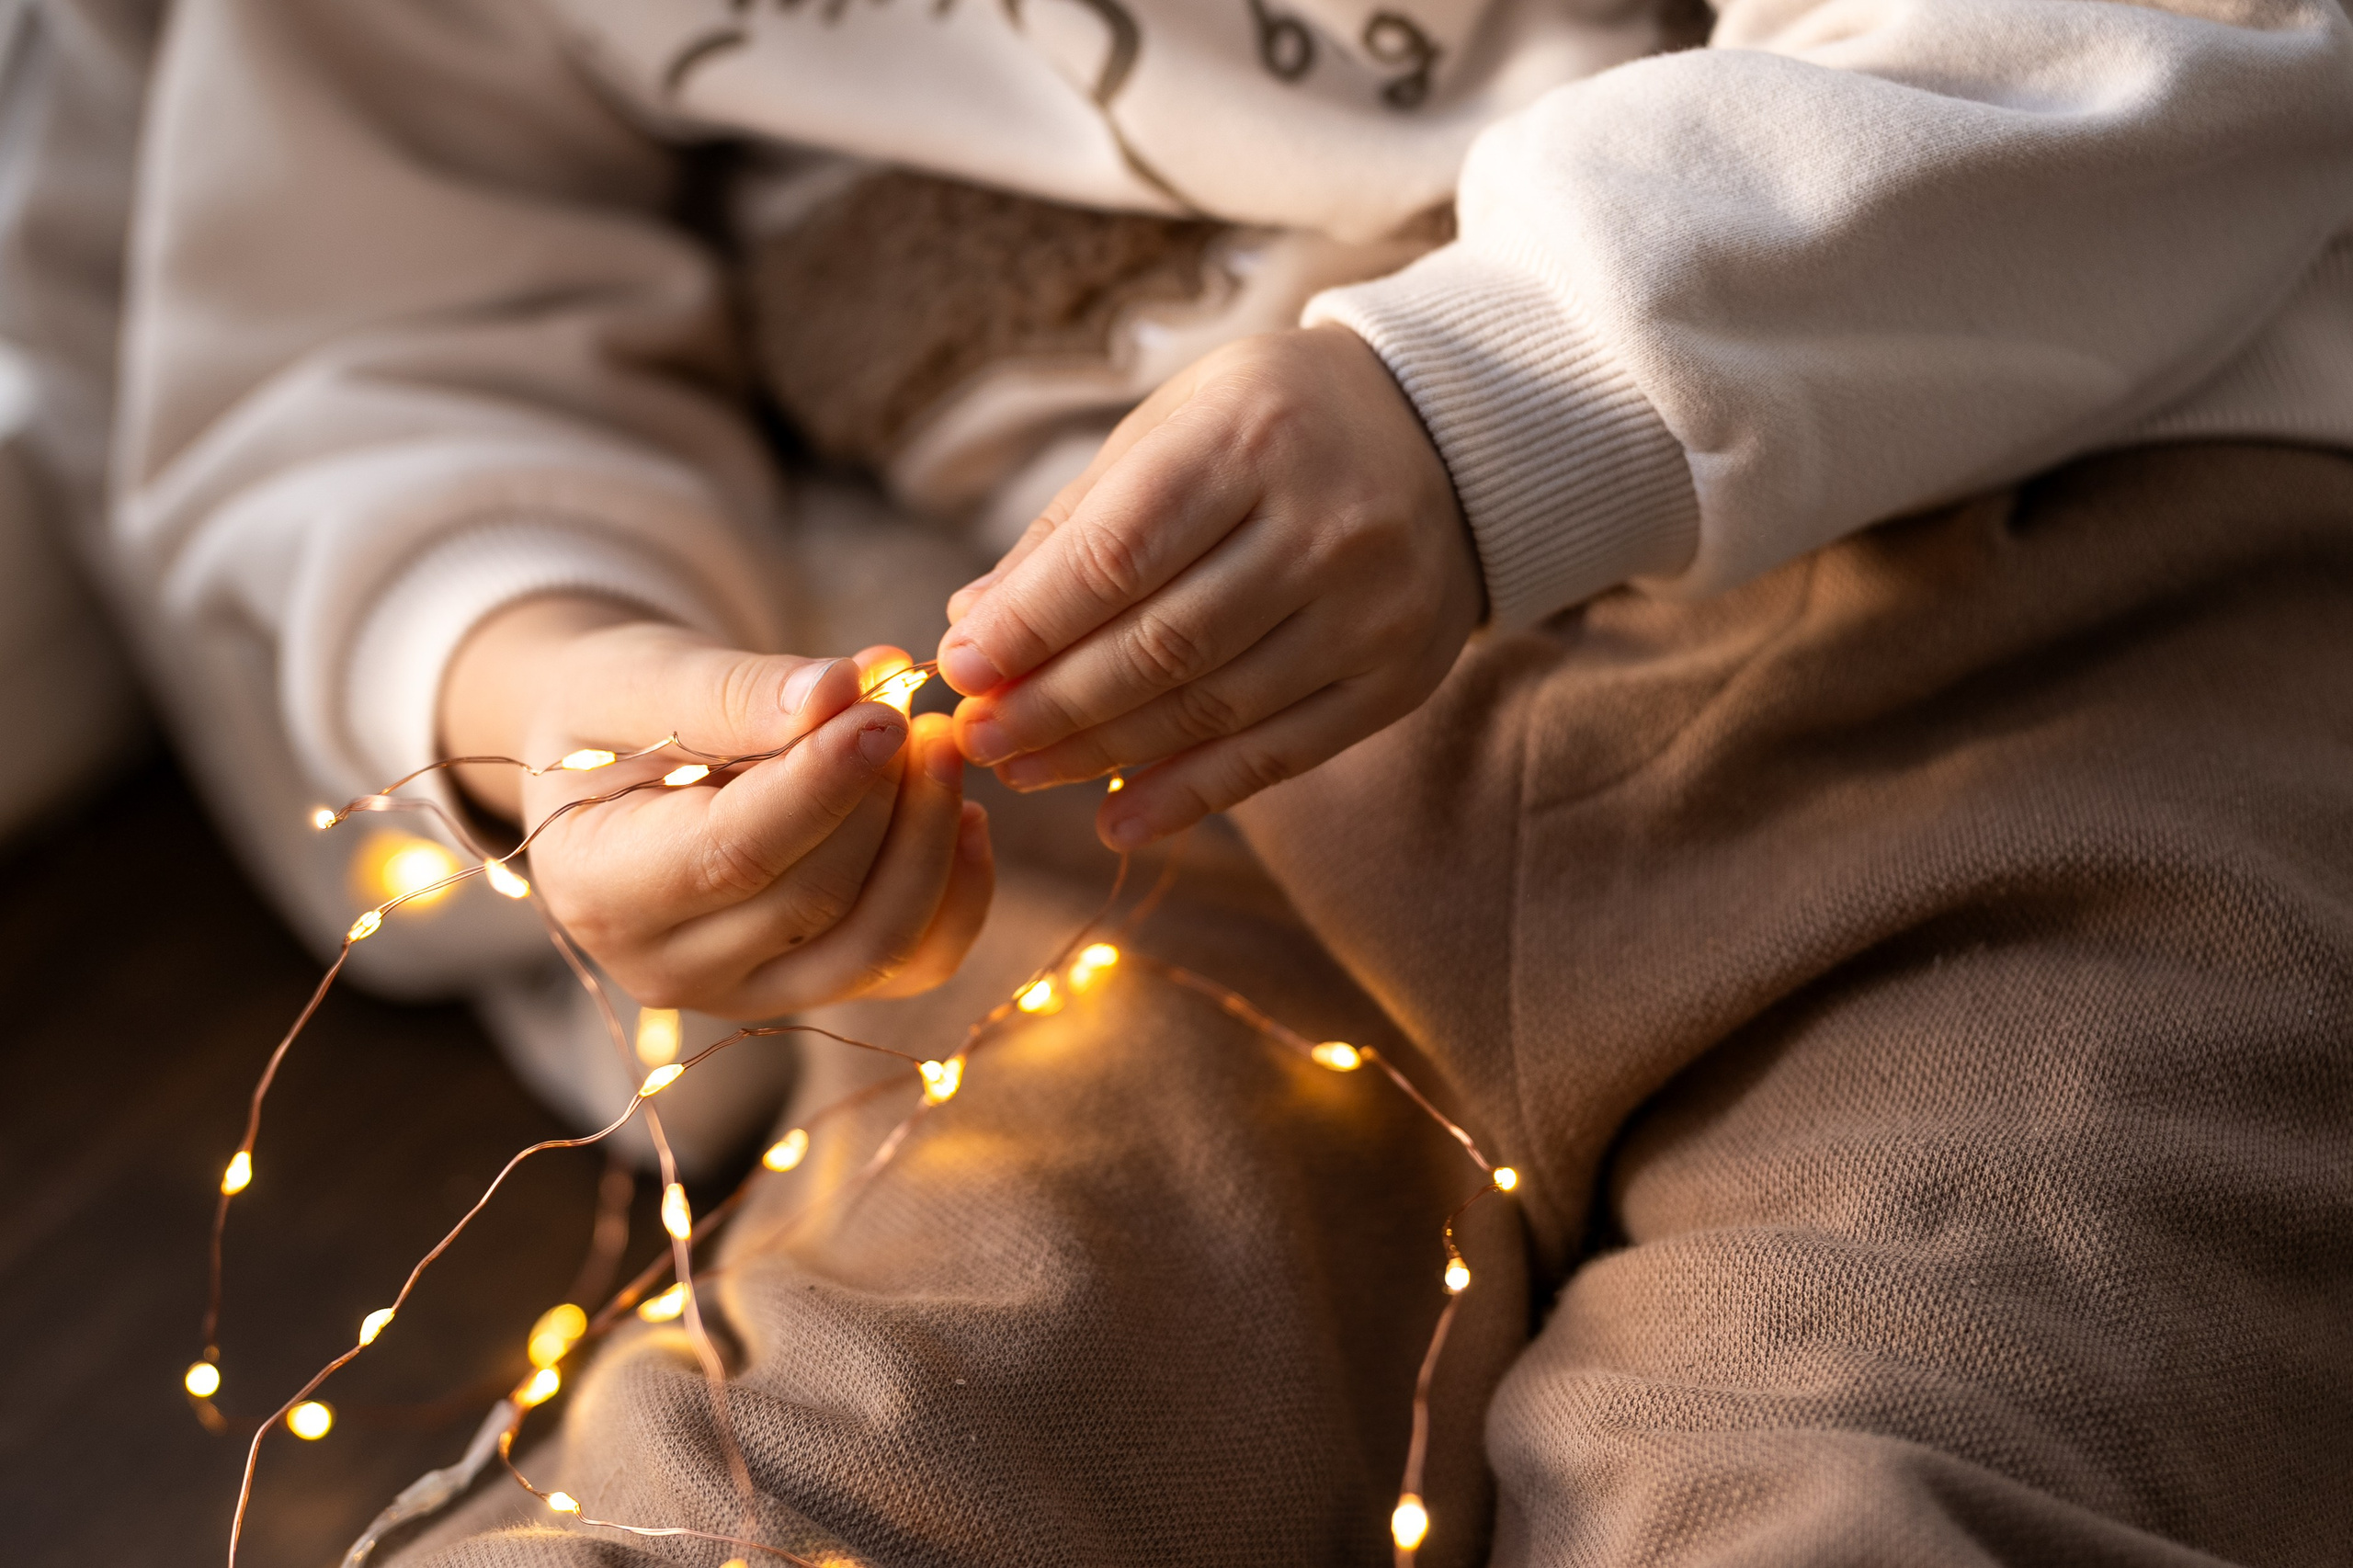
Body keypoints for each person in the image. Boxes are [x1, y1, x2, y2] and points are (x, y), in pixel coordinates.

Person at [118, 0, 2353, 1563]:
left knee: (1897, 1438)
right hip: (1126, 854)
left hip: (2044, 623)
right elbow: (348, 350)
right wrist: (548, 704)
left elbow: (2159, 41)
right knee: (826, 1461)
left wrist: (1517, 389)